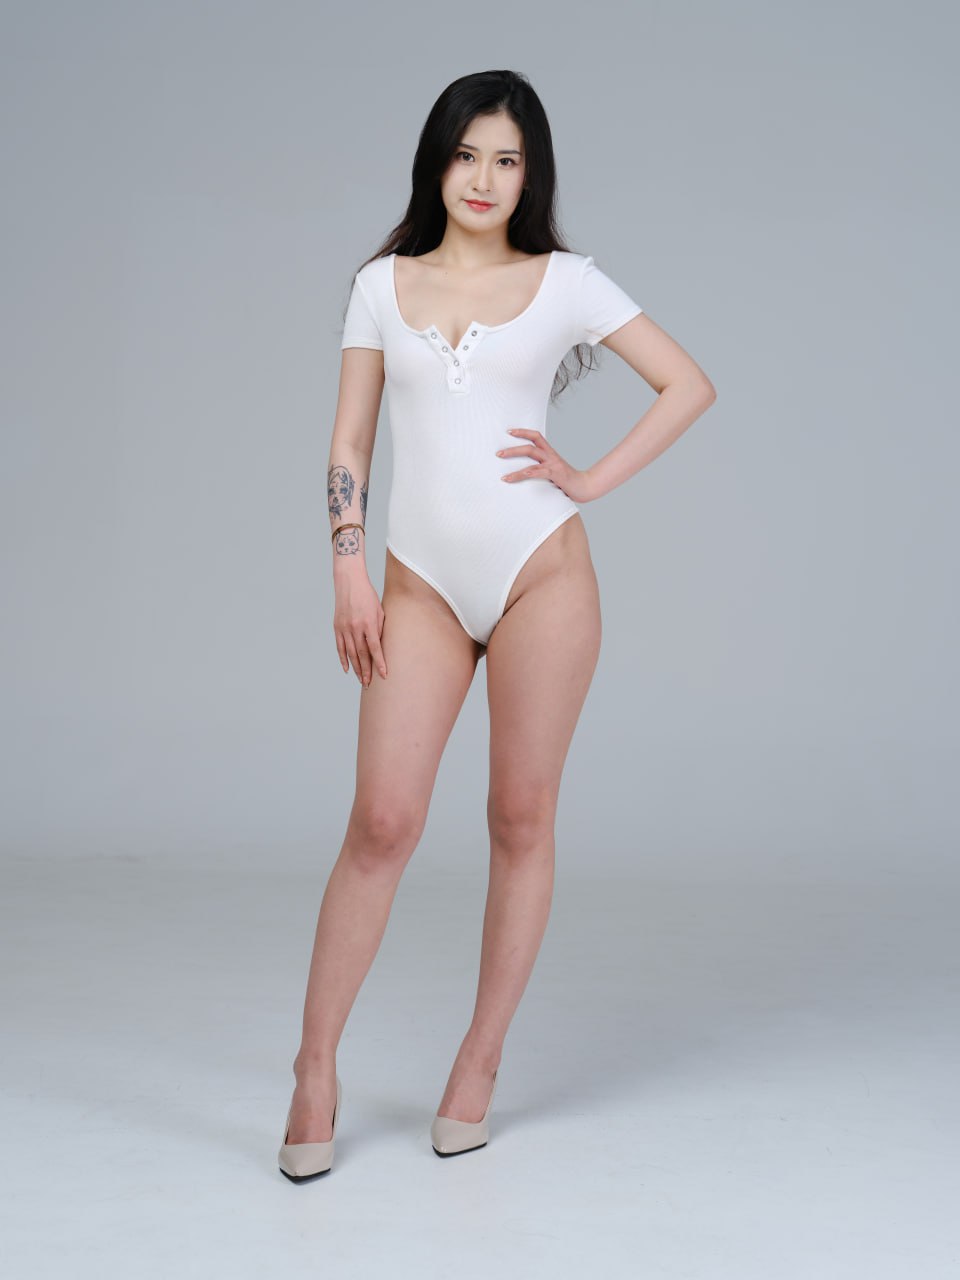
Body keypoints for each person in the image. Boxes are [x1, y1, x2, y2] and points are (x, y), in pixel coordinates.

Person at [278, 68, 716, 1180]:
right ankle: (315, 1069)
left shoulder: (565, 281)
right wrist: (347, 568)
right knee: (383, 822)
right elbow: (349, 442)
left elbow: (687, 384)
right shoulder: (381, 285)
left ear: (532, 176)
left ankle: (479, 1060)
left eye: (507, 159)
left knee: (520, 816)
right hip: (417, 586)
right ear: (438, 162)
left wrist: (589, 478)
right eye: (468, 154)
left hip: (541, 579)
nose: (484, 178)